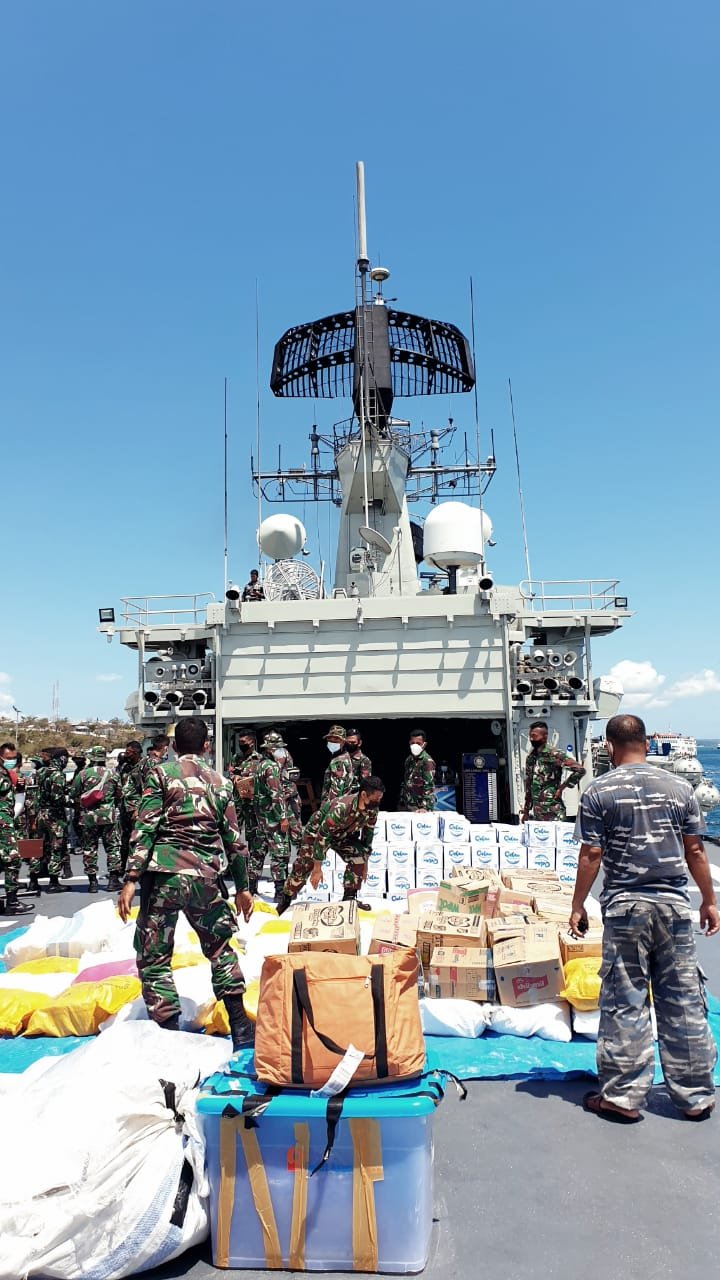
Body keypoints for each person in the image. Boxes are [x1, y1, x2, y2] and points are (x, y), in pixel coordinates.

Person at [570, 713, 718, 1124]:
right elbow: (696, 852)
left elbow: (592, 855)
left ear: (609, 745)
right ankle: (695, 1097)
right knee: (683, 1000)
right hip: (673, 907)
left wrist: (578, 904)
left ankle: (622, 1097)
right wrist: (708, 900)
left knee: (625, 1000)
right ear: (647, 744)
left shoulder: (599, 790)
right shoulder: (680, 788)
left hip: (625, 909)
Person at [117, 716, 255, 1049]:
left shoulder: (161, 775)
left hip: (163, 878)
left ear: (174, 746)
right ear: (207, 746)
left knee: (154, 954)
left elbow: (145, 827)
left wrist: (131, 878)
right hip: (205, 878)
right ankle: (240, 1028)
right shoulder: (221, 783)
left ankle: (167, 1032)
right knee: (220, 948)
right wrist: (243, 887)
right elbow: (235, 841)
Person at [278, 775, 386, 915]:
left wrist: (365, 862)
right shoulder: (341, 809)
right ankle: (285, 900)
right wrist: (317, 868)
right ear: (364, 795)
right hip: (317, 834)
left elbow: (367, 836)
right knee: (304, 866)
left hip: (342, 835)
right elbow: (322, 837)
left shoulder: (372, 810)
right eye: (376, 798)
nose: (378, 801)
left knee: (359, 855)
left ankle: (349, 899)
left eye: (380, 798)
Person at [69, 746, 123, 892]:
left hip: (88, 817)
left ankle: (92, 882)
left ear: (91, 758)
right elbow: (120, 795)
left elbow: (73, 794)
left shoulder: (82, 774)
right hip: (108, 816)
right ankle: (113, 880)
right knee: (112, 848)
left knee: (89, 848)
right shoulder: (113, 774)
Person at [521, 720, 586, 822]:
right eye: (530, 736)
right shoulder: (531, 757)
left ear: (545, 736)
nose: (531, 739)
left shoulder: (554, 754)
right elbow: (529, 784)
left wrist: (562, 787)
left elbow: (580, 770)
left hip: (554, 812)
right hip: (538, 813)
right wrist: (526, 811)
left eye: (534, 736)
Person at [253, 731, 291, 901]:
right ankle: (280, 891)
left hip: (261, 817)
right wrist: (283, 817)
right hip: (273, 818)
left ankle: (251, 888)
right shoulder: (272, 767)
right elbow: (276, 794)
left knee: (257, 853)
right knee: (280, 853)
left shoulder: (260, 765)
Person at [229, 729, 264, 895]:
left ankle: (253, 879)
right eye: (240, 743)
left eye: (245, 743)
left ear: (252, 742)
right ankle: (232, 869)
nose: (242, 746)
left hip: (252, 805)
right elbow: (232, 772)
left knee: (254, 839)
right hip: (237, 803)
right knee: (233, 837)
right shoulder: (237, 758)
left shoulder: (260, 760)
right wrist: (235, 777)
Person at [0, 742, 33, 914]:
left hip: (6, 821)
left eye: (13, 758)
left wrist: (19, 785)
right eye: (8, 758)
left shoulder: (7, 774)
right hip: (3, 825)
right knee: (13, 859)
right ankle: (12, 902)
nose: (11, 761)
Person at [35, 747, 70, 893]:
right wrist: (69, 799)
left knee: (40, 847)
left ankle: (33, 879)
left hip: (41, 814)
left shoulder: (41, 772)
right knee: (56, 847)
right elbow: (57, 798)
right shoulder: (58, 775)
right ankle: (53, 882)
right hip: (54, 816)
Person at [118, 740, 144, 871]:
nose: (125, 755)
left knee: (137, 840)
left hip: (136, 808)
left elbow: (148, 789)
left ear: (136, 752)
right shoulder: (125, 767)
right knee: (124, 839)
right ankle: (123, 867)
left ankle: (136, 868)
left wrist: (138, 809)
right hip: (124, 808)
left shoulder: (144, 765)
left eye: (128, 752)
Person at [399, 729, 436, 811]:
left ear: (424, 744)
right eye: (413, 743)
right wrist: (402, 800)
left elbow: (429, 787)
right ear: (409, 743)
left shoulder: (427, 761)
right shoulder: (409, 759)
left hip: (420, 807)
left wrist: (424, 807)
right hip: (407, 803)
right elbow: (406, 781)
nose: (415, 745)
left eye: (418, 743)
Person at [320, 725, 356, 803]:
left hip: (335, 807)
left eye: (336, 741)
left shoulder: (338, 761)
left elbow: (337, 791)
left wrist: (327, 809)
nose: (332, 743)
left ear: (343, 742)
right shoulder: (343, 756)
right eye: (330, 740)